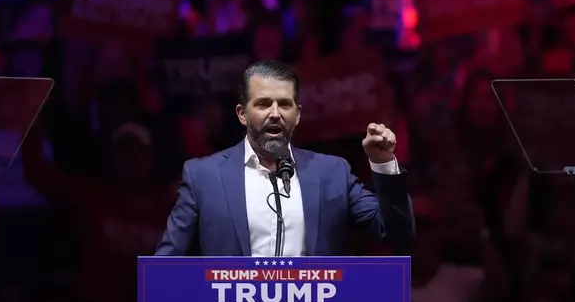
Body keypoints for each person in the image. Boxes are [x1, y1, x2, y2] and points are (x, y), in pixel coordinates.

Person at [155, 60, 414, 256]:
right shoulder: (203, 177)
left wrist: (382, 163)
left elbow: (397, 231)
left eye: (285, 104)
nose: (275, 113)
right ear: (242, 114)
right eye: (263, 104)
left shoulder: (332, 173)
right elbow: (166, 266)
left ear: (298, 114)